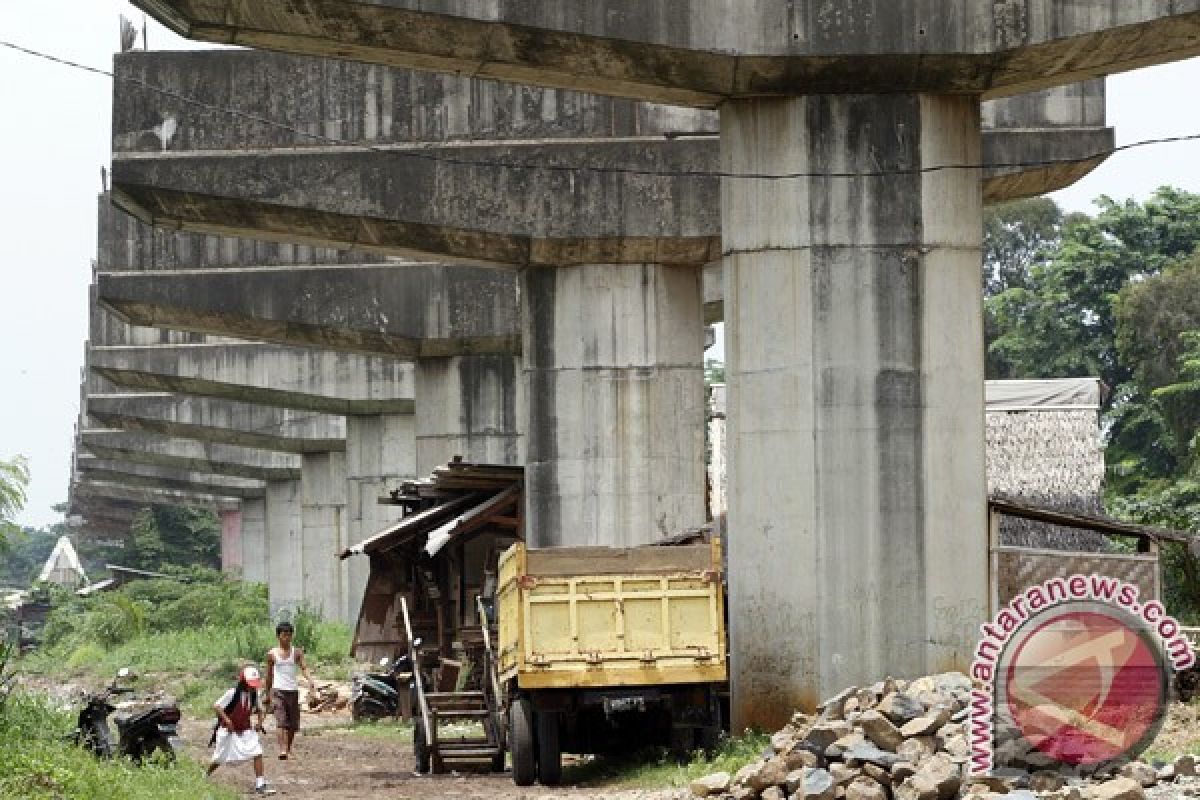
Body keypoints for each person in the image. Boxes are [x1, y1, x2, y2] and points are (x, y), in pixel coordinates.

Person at [207, 666, 275, 795]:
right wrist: (227, 720)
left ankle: (260, 784)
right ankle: (205, 775)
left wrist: (260, 723)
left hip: (245, 729)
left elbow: (260, 710)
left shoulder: (254, 695)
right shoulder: (232, 693)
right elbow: (217, 706)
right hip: (229, 731)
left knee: (257, 752)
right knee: (219, 758)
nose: (252, 687)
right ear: (243, 681)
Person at [264, 620, 316, 760]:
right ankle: (282, 749)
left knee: (293, 723)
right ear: (278, 636)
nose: (287, 638)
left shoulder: (297, 652)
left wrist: (310, 680)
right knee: (281, 721)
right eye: (284, 635)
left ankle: (288, 748)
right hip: (278, 691)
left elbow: (303, 667)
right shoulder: (272, 654)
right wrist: (267, 694)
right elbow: (269, 675)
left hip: (292, 691)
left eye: (289, 635)